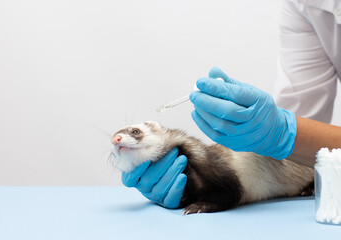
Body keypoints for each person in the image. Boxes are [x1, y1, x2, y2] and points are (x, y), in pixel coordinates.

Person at [122, 0, 341, 209]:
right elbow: (305, 136)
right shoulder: (304, 5)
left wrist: (283, 132)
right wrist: (280, 135)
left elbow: (290, 134)